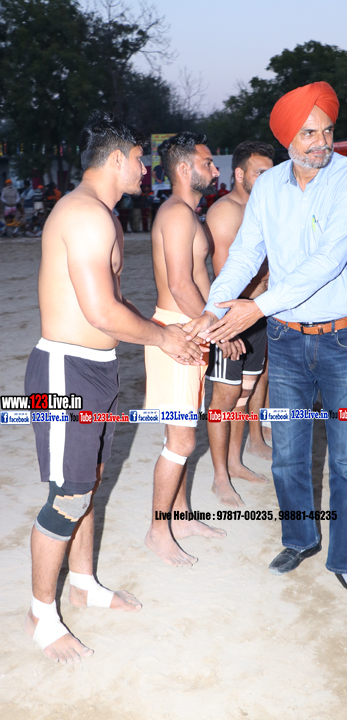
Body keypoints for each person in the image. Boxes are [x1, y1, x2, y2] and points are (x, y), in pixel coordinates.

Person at [183, 81, 347, 615]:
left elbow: (328, 261)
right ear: (288, 137)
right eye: (309, 133)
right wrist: (216, 309)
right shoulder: (268, 185)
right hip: (287, 339)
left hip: (343, 336)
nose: (322, 142)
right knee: (288, 451)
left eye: (328, 130)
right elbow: (247, 253)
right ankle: (300, 538)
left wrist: (256, 308)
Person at [23, 111, 205, 665]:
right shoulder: (84, 214)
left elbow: (114, 302)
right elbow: (100, 311)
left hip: (96, 368)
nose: (146, 169)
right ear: (118, 158)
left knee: (90, 483)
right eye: (140, 159)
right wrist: (164, 337)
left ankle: (83, 585)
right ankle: (41, 615)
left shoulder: (102, 215)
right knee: (68, 497)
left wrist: (163, 331)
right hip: (65, 371)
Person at [144, 132, 243, 567]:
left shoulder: (187, 213)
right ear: (184, 169)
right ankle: (157, 531)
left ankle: (180, 518)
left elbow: (202, 281)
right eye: (208, 163)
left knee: (182, 433)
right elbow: (181, 284)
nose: (216, 169)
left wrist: (217, 323)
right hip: (177, 332)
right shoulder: (177, 214)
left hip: (192, 329)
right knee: (182, 440)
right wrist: (217, 330)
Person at [205, 140, 275, 507]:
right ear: (239, 174)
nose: (267, 179)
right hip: (231, 317)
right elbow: (225, 276)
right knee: (224, 398)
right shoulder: (225, 212)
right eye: (259, 173)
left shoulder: (263, 208)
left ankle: (235, 461)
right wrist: (225, 328)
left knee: (245, 393)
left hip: (259, 312)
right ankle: (220, 477)